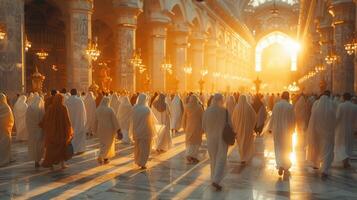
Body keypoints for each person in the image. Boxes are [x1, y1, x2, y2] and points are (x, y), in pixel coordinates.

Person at [202, 93, 228, 191]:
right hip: (222, 139)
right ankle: (216, 180)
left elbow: (203, 125)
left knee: (213, 158)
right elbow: (230, 125)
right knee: (221, 159)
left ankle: (213, 178)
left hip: (211, 139)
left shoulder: (207, 111)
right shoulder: (224, 111)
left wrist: (209, 132)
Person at [40, 94, 73, 169]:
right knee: (61, 148)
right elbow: (67, 121)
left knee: (51, 149)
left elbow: (46, 119)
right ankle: (62, 164)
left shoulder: (50, 108)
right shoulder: (63, 108)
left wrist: (44, 126)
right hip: (61, 132)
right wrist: (69, 130)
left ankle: (50, 164)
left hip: (52, 133)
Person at [307, 94, 336, 178]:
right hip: (328, 135)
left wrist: (312, 132)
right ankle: (324, 170)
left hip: (318, 133)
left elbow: (312, 121)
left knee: (318, 149)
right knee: (327, 152)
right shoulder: (331, 109)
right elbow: (335, 120)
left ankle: (317, 164)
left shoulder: (316, 109)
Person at [268, 91, 295, 177]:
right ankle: (285, 165)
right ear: (288, 97)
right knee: (286, 148)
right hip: (286, 131)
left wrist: (270, 128)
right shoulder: (290, 106)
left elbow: (273, 117)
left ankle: (280, 165)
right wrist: (292, 129)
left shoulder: (276, 105)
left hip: (277, 131)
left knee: (278, 148)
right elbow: (292, 120)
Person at [130, 94, 157, 169]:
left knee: (138, 147)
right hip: (146, 131)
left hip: (137, 131)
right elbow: (152, 121)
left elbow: (132, 120)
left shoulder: (134, 108)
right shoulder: (147, 109)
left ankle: (138, 160)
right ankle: (142, 162)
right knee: (145, 148)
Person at [232, 95, 257, 165]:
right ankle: (246, 156)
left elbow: (233, 119)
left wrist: (235, 127)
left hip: (239, 129)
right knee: (246, 142)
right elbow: (254, 116)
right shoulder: (248, 107)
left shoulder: (237, 107)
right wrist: (252, 125)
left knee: (241, 143)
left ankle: (242, 156)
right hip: (248, 129)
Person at [94, 97, 120, 164]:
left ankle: (106, 158)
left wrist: (94, 129)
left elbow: (95, 121)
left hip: (100, 129)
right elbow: (115, 120)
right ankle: (101, 156)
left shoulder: (98, 109)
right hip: (109, 129)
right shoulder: (110, 110)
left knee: (102, 144)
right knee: (108, 144)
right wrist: (118, 129)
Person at [334, 93, 357, 168]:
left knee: (341, 144)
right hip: (350, 128)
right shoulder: (355, 107)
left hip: (341, 128)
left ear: (343, 98)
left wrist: (334, 126)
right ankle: (346, 161)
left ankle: (344, 160)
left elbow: (337, 118)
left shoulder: (341, 106)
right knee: (348, 144)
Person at [182, 95, 204, 164]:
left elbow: (184, 118)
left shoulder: (187, 107)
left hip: (189, 127)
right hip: (197, 128)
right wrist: (203, 128)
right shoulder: (199, 107)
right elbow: (203, 118)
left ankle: (190, 156)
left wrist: (184, 127)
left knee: (189, 142)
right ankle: (193, 157)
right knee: (196, 143)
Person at [65, 89, 87, 154]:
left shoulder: (67, 101)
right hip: (78, 120)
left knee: (71, 135)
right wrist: (84, 120)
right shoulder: (80, 101)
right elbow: (83, 112)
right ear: (76, 93)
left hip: (70, 121)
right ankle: (79, 149)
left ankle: (71, 149)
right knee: (79, 135)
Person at [26, 95, 45, 168]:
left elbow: (27, 119)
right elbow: (43, 119)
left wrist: (30, 128)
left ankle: (35, 161)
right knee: (39, 145)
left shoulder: (29, 108)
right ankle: (38, 160)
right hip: (40, 129)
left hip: (32, 130)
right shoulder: (41, 108)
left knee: (34, 145)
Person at [0, 93, 15, 166]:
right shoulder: (6, 107)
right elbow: (11, 119)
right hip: (5, 130)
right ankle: (4, 159)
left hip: (4, 130)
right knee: (4, 144)